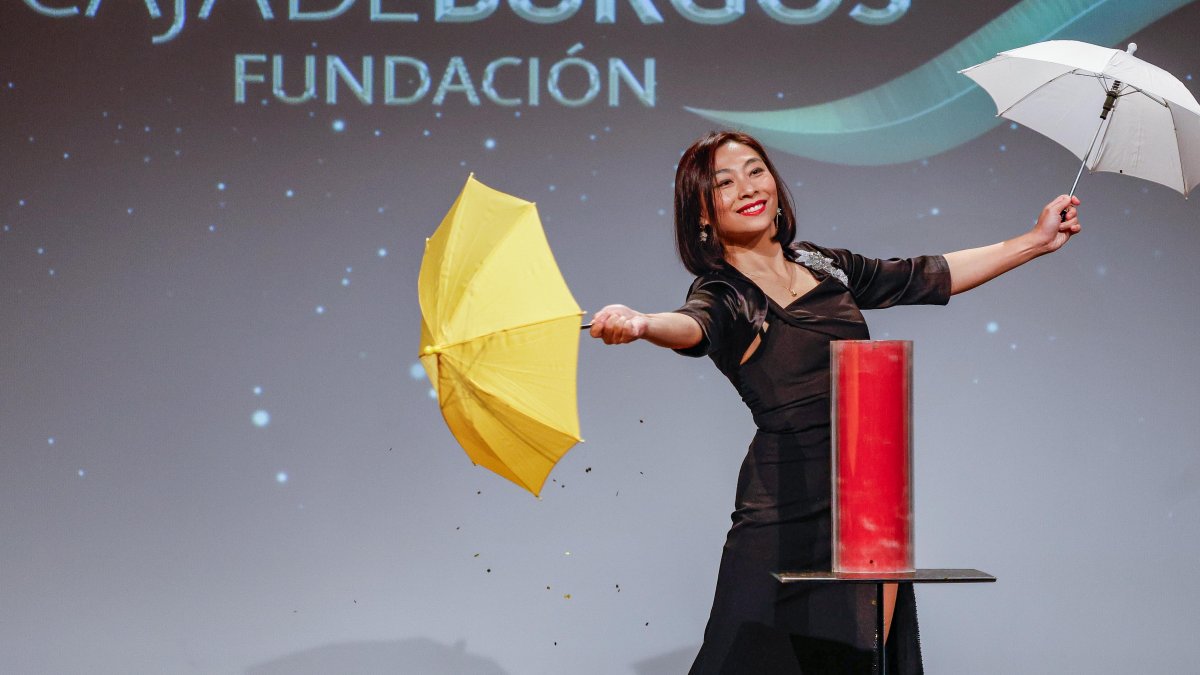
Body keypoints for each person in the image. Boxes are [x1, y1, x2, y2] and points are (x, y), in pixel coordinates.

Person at [587, 130, 1081, 674]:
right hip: (783, 505)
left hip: (870, 493)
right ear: (702, 213)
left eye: (756, 170)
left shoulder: (825, 265)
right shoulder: (725, 292)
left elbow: (927, 275)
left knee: (861, 662)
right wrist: (641, 324)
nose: (748, 188)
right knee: (742, 659)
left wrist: (1035, 241)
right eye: (724, 183)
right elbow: (693, 326)